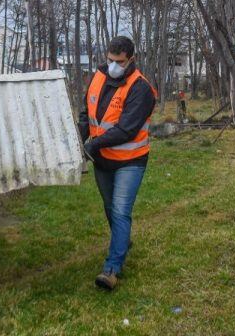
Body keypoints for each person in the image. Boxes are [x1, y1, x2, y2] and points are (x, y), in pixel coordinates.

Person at [79, 36, 156, 291]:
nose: (113, 66)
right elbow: (85, 113)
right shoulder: (98, 77)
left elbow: (126, 130)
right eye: (110, 60)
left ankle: (112, 268)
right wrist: (78, 141)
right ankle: (122, 242)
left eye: (119, 62)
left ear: (131, 60)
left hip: (130, 160)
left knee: (121, 210)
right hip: (103, 160)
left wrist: (91, 145)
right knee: (110, 207)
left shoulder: (141, 88)